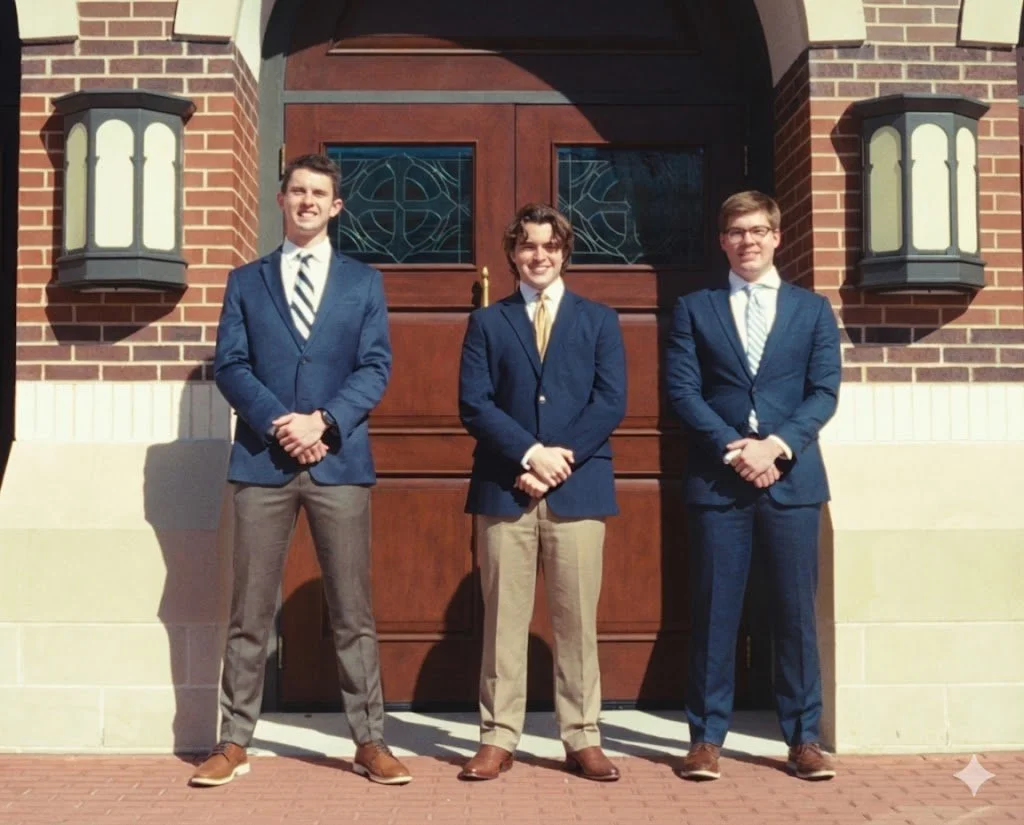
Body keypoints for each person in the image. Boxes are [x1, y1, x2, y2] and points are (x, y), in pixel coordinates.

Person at [193, 153, 411, 787]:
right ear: (282, 200)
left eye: (320, 193)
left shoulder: (363, 283)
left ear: (335, 207)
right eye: (298, 191)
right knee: (249, 611)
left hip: (339, 462)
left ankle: (369, 740)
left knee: (353, 611)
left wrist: (322, 422)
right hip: (262, 464)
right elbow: (231, 365)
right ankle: (233, 741)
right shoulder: (246, 281)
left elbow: (375, 367)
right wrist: (279, 421)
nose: (308, 201)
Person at [665, 190, 841, 782]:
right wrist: (736, 449)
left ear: (777, 237)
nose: (749, 240)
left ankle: (803, 739)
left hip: (793, 481)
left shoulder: (813, 310)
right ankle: (707, 738)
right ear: (723, 241)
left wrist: (777, 446)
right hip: (721, 482)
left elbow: (824, 392)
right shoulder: (696, 308)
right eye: (737, 231)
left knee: (794, 615)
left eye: (760, 230)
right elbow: (684, 391)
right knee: (716, 611)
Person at [457, 203, 627, 782]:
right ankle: (498, 737)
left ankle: (582, 736)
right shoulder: (487, 322)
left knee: (577, 619)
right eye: (528, 245)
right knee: (503, 618)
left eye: (550, 246)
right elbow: (474, 404)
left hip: (578, 490)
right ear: (512, 253)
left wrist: (556, 462)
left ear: (564, 252)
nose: (539, 255)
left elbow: (609, 402)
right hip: (505, 488)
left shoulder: (599, 320)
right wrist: (529, 454)